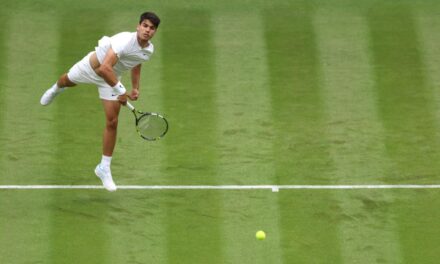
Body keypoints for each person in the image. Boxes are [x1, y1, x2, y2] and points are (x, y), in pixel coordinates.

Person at [40, 12, 160, 191]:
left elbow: (136, 63)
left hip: (111, 79)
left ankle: (104, 167)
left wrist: (135, 87)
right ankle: (56, 89)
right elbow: (104, 68)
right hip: (92, 68)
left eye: (151, 28)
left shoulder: (148, 50)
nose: (147, 30)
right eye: (145, 25)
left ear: (154, 32)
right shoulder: (125, 41)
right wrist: (120, 90)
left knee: (112, 122)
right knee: (66, 80)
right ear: (138, 26)